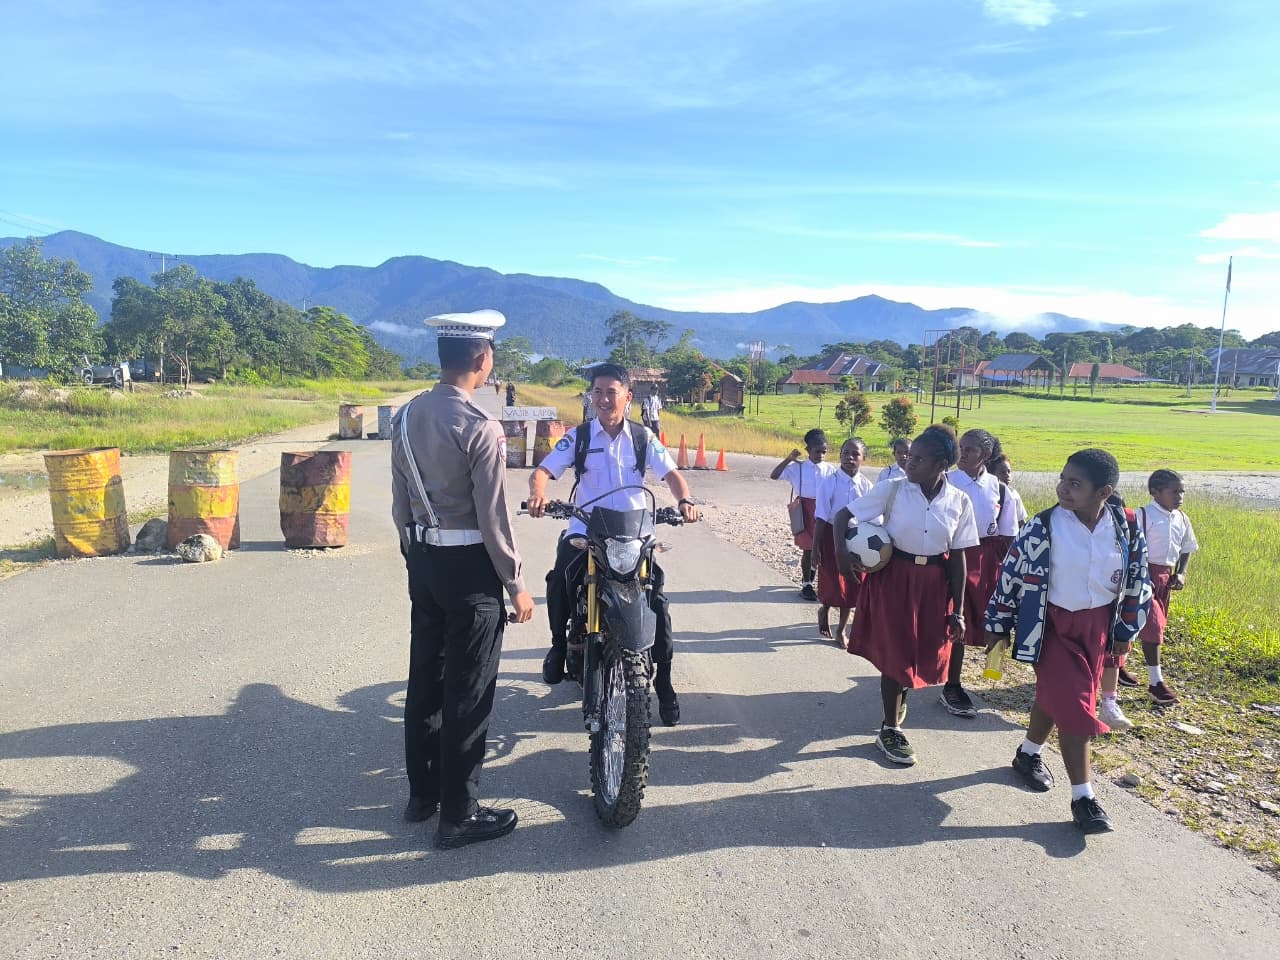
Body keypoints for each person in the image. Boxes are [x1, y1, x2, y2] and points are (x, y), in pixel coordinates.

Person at [391, 309, 536, 850]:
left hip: (424, 560)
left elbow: (400, 501)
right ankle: (459, 813)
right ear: (482, 359)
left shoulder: (406, 416)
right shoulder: (479, 426)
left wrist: (415, 554)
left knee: (425, 680)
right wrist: (515, 582)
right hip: (470, 568)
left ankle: (422, 795)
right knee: (468, 692)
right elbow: (493, 517)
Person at [985, 448, 1152, 834]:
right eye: (1063, 479)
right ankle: (1084, 799)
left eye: (1075, 484)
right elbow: (1011, 574)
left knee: (1056, 694)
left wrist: (1125, 630)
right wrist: (998, 623)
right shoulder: (1043, 526)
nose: (1063, 488)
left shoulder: (1126, 526)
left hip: (1097, 628)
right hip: (1051, 627)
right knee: (1076, 706)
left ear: (1103, 492)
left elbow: (1138, 579)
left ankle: (1028, 754)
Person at [527, 363, 701, 725]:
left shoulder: (643, 438)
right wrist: (538, 494)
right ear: (591, 396)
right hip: (587, 528)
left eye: (611, 392)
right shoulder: (579, 437)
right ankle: (558, 645)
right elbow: (543, 471)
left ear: (628, 397)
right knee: (559, 578)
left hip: (633, 533)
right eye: (598, 392)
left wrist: (685, 501)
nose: (604, 399)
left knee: (657, 601)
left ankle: (664, 680)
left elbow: (672, 475)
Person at [834, 424, 978, 766]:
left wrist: (958, 610)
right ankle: (890, 728)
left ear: (940, 465)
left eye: (919, 460)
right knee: (896, 655)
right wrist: (841, 554)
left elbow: (959, 556)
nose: (909, 463)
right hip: (895, 579)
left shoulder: (959, 501)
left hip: (934, 584)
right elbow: (843, 516)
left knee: (919, 651)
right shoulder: (893, 489)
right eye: (910, 457)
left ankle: (900, 695)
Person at [1097, 469, 1198, 727]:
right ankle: (1156, 682)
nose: (1179, 496)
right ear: (1155, 492)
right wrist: (1141, 575)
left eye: (1182, 491)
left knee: (1142, 625)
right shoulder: (1143, 515)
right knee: (1152, 627)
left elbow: (1187, 548)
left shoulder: (1181, 518)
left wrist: (1181, 573)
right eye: (1174, 491)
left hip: (1165, 578)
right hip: (1144, 577)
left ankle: (1117, 667)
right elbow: (1134, 547)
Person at [943, 429, 1017, 719]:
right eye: (961, 447)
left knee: (995, 617)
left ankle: (993, 671)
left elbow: (1009, 535)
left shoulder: (1000, 489)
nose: (962, 453)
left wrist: (1012, 574)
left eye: (970, 449)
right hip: (953, 556)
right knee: (956, 617)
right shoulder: (946, 481)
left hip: (987, 560)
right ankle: (952, 684)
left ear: (985, 455)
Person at [811, 437, 873, 643]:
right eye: (846, 453)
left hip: (857, 539)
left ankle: (841, 631)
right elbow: (821, 517)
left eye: (855, 454)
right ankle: (825, 608)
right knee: (832, 580)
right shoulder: (830, 482)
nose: (850, 458)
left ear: (864, 458)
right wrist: (815, 547)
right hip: (830, 536)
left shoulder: (866, 485)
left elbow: (872, 516)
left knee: (853, 582)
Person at [771, 430, 835, 601]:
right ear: (808, 450)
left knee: (821, 548)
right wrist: (789, 459)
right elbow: (774, 475)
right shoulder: (797, 468)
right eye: (817, 451)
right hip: (805, 511)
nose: (821, 455)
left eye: (824, 452)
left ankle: (817, 581)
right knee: (808, 549)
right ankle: (807, 584)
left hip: (824, 511)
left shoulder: (830, 469)